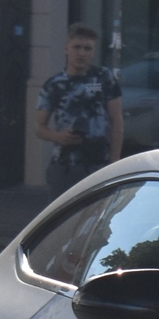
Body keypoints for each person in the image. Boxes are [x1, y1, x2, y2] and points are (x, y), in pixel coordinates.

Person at [34, 23, 124, 195]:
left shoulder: (103, 79)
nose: (82, 53)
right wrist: (59, 137)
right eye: (77, 47)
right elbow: (38, 127)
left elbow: (117, 121)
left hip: (99, 164)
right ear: (66, 48)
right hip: (65, 166)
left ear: (94, 51)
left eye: (87, 48)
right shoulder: (54, 85)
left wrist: (114, 162)